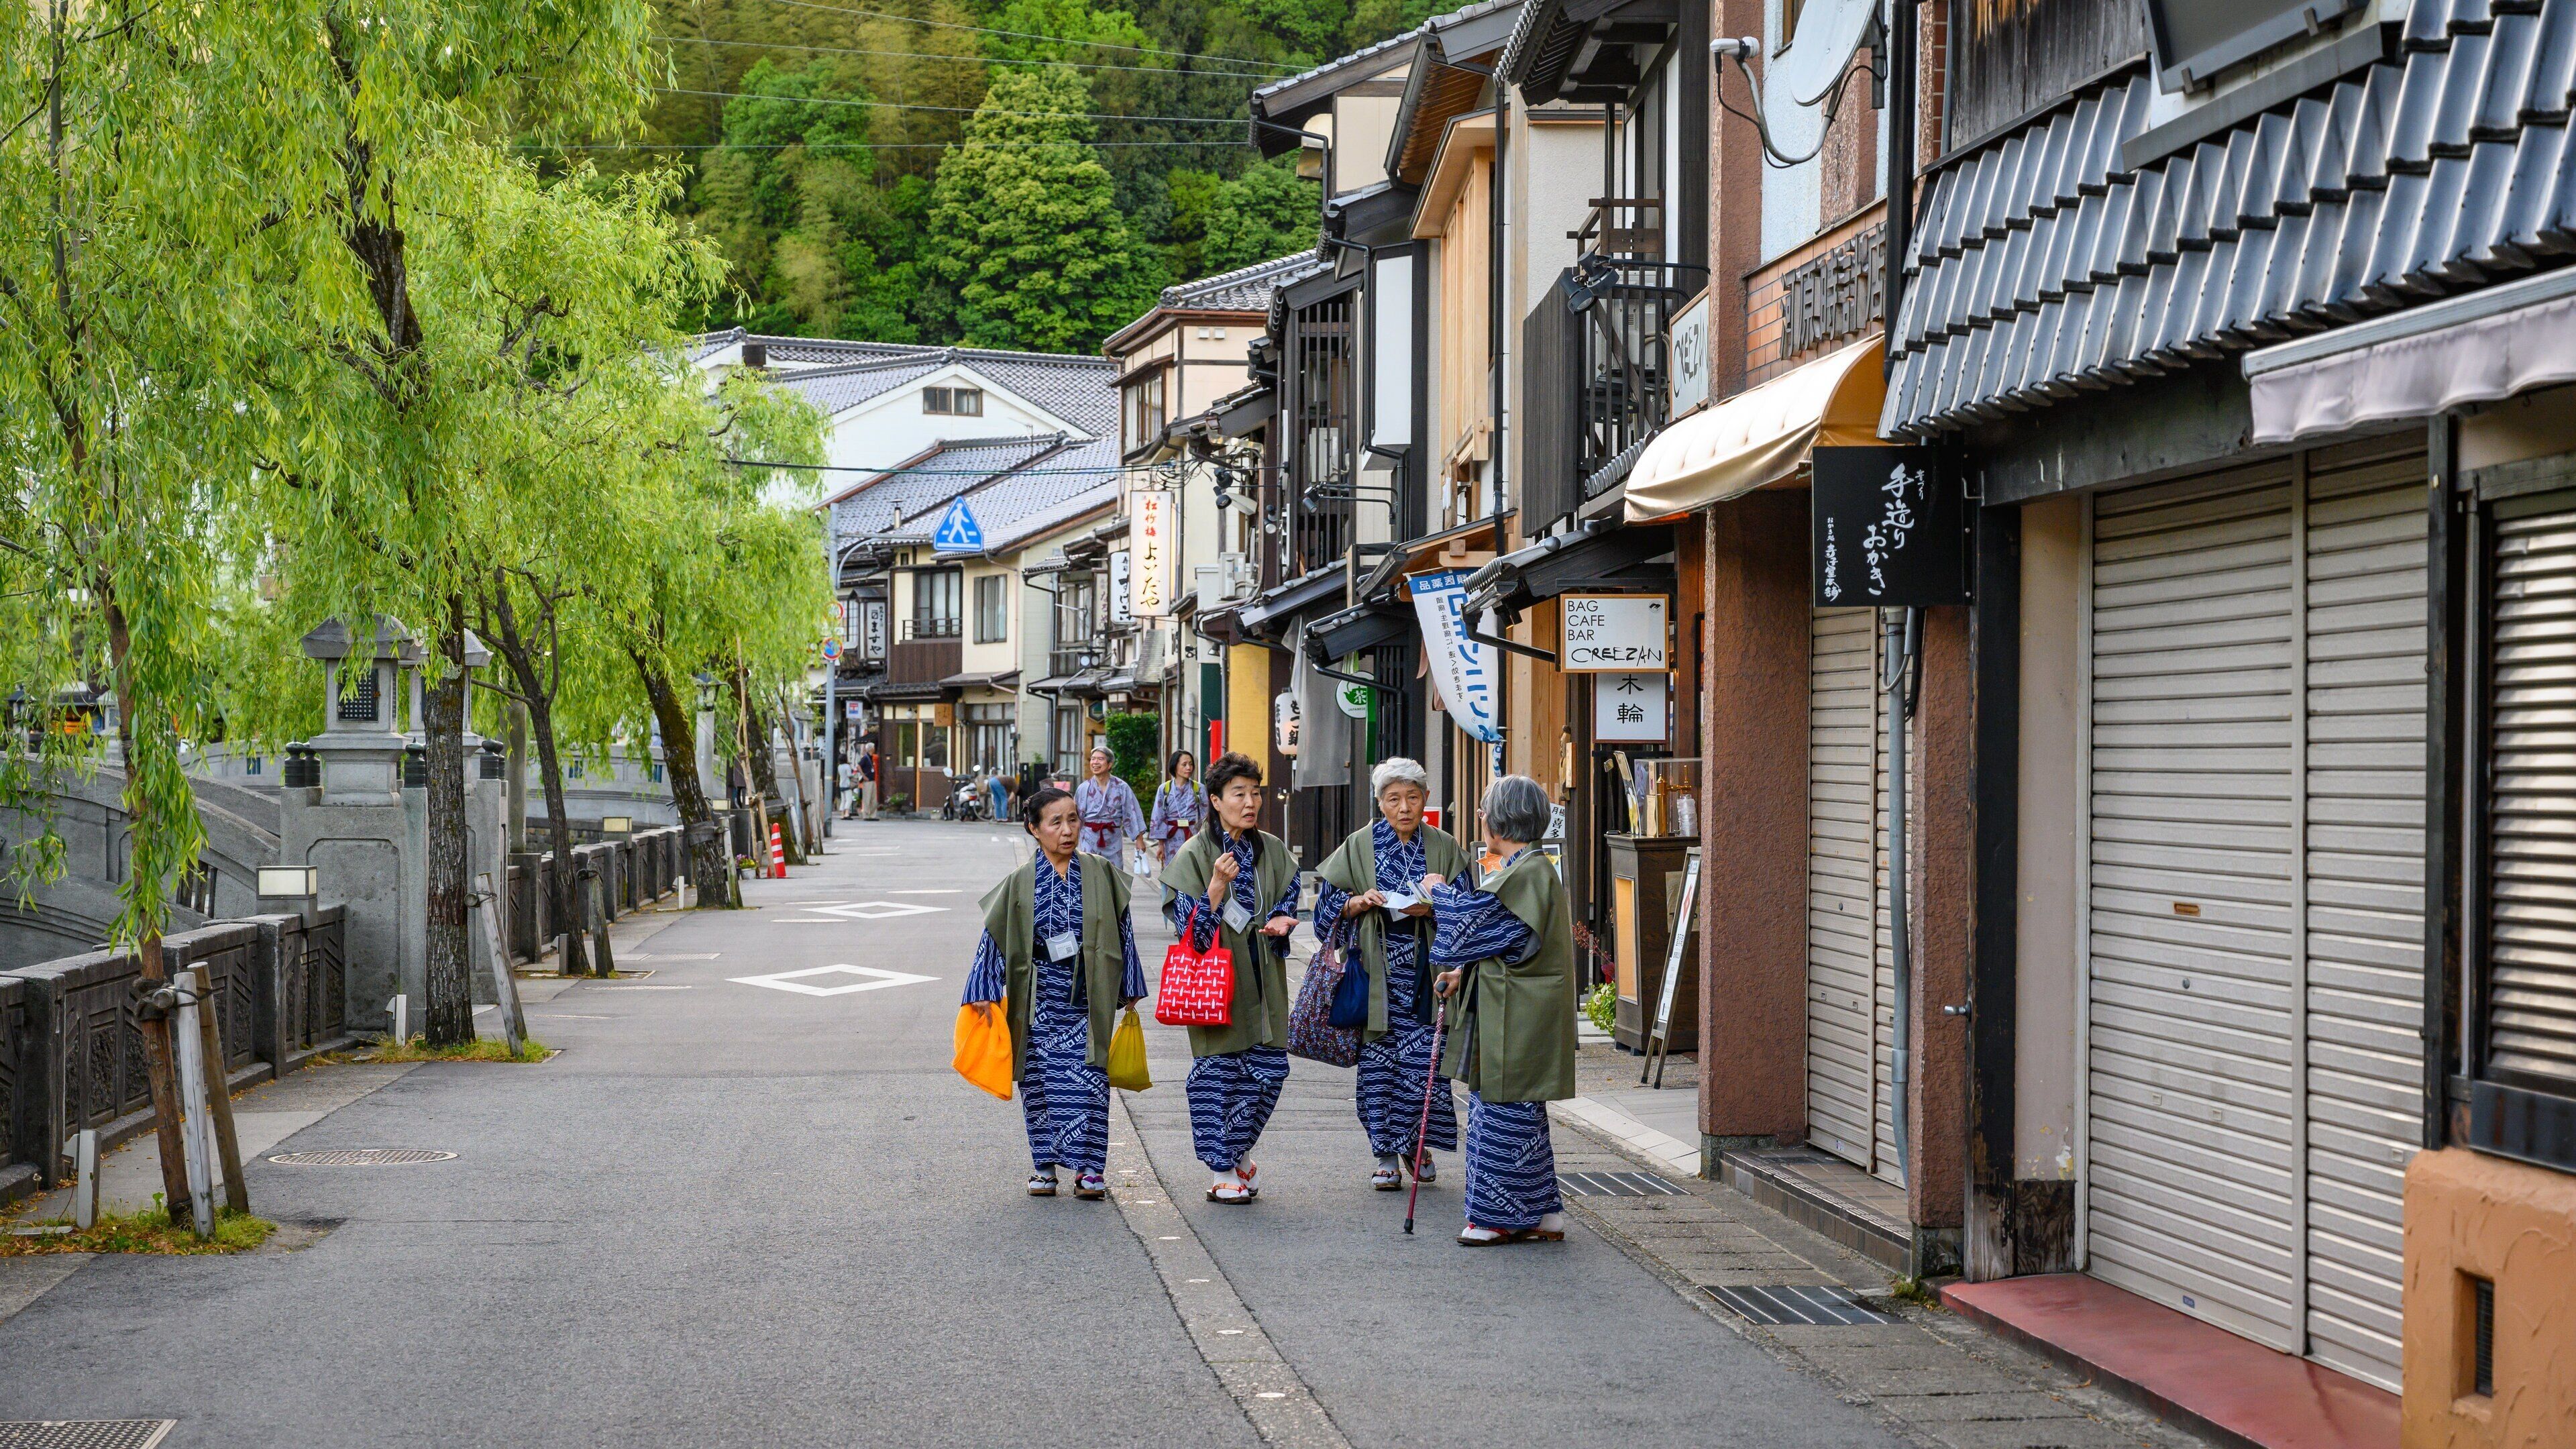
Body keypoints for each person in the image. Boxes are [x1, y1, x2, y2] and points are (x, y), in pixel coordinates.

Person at [960, 786, 1148, 1199]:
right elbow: (994, 938)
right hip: (1039, 1000)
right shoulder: (1020, 882)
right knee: (1040, 1083)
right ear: (1034, 828)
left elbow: (1123, 931)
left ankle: (1090, 1169)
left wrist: (1130, 985)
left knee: (1092, 1081)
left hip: (1088, 997)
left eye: (1073, 819)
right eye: (1056, 822)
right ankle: (1044, 1166)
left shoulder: (1100, 872)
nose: (1068, 830)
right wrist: (984, 990)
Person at [1429, 775, 1577, 1246]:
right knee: (1519, 1111)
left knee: (1501, 1110)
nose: (1480, 818)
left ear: (1499, 820)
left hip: (1517, 1015)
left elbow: (1474, 928)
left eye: (1482, 810)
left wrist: (1437, 891)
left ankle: (1496, 1217)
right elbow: (1504, 941)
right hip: (1520, 1007)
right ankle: (1543, 1212)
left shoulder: (1525, 871)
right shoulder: (1528, 868)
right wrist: (1461, 973)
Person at [1313, 758, 1473, 1189]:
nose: (1404, 807)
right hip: (1376, 975)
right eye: (1393, 799)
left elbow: (1471, 912)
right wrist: (1358, 903)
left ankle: (1418, 1147)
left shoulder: (1443, 846)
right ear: (1380, 803)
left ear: (1425, 800)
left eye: (1413, 797)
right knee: (1379, 1067)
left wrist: (1435, 905)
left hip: (1428, 973)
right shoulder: (1359, 845)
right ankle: (1384, 1154)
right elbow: (1323, 911)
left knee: (1425, 1066)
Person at [1160, 752, 1298, 1205]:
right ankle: (1222, 1169)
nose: (1251, 801)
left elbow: (1289, 895)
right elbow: (1191, 939)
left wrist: (1282, 919)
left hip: (1266, 987)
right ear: (1215, 800)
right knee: (1217, 1077)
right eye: (1239, 793)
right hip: (1215, 989)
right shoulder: (1193, 857)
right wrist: (1216, 888)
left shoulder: (1272, 850)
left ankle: (1238, 1153)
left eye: (1255, 792)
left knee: (1270, 1072)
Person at [1147, 750, 1204, 907]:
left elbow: (1206, 817)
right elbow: (1158, 816)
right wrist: (1160, 845)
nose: (1189, 768)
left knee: (1193, 877)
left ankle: (1190, 917)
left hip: (1193, 838)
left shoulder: (1198, 789)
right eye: (1184, 764)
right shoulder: (1164, 789)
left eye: (1191, 764)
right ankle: (1176, 917)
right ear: (1175, 767)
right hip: (1171, 841)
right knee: (1172, 878)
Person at [1074, 745, 1145, 860]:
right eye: (1093, 759)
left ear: (1110, 764)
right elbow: (1076, 817)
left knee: (1114, 875)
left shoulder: (1122, 787)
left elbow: (1131, 813)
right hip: (1089, 838)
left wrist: (1139, 839)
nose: (1095, 762)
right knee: (1090, 873)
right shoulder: (1084, 788)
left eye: (1100, 759)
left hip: (1113, 839)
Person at [857, 745, 879, 821]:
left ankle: (873, 815)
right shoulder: (865, 758)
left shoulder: (872, 758)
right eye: (874, 747)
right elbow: (859, 766)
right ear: (871, 749)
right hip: (867, 781)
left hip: (873, 780)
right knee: (867, 798)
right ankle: (866, 815)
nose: (875, 749)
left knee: (874, 799)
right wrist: (863, 776)